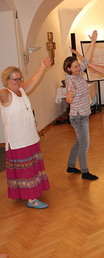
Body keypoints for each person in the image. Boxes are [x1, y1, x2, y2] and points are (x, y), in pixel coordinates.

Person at [0, 57, 52, 208]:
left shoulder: (22, 90)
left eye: (20, 78)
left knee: (32, 167)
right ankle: (31, 199)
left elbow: (34, 80)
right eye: (14, 79)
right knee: (26, 170)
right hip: (18, 141)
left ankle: (25, 193)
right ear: (7, 80)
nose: (18, 81)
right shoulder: (5, 94)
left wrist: (42, 66)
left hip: (30, 137)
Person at [63, 30, 98, 180]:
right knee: (85, 143)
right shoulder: (71, 79)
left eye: (78, 65)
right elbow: (70, 91)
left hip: (83, 114)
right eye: (75, 67)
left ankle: (71, 166)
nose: (79, 68)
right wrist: (69, 97)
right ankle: (85, 171)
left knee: (79, 141)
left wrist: (93, 42)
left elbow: (87, 59)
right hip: (78, 117)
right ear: (69, 69)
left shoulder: (78, 74)